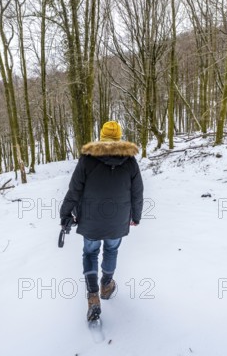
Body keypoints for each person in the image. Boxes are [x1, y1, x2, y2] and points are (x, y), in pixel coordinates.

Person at [60, 121, 144, 321]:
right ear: (119, 137)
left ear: (101, 135)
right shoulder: (130, 161)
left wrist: (65, 213)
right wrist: (136, 216)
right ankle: (106, 285)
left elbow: (74, 190)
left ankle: (93, 295)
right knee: (112, 249)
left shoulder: (88, 159)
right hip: (118, 219)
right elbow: (138, 192)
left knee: (90, 252)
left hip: (91, 219)